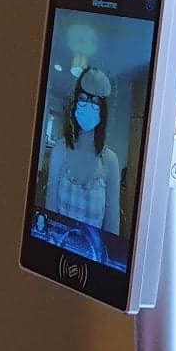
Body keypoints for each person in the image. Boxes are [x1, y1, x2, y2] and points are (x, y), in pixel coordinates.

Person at [42, 66, 123, 238]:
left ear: (103, 109)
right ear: (75, 103)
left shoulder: (110, 162)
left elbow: (112, 229)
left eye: (95, 102)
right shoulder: (59, 151)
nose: (88, 106)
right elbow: (50, 213)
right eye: (83, 99)